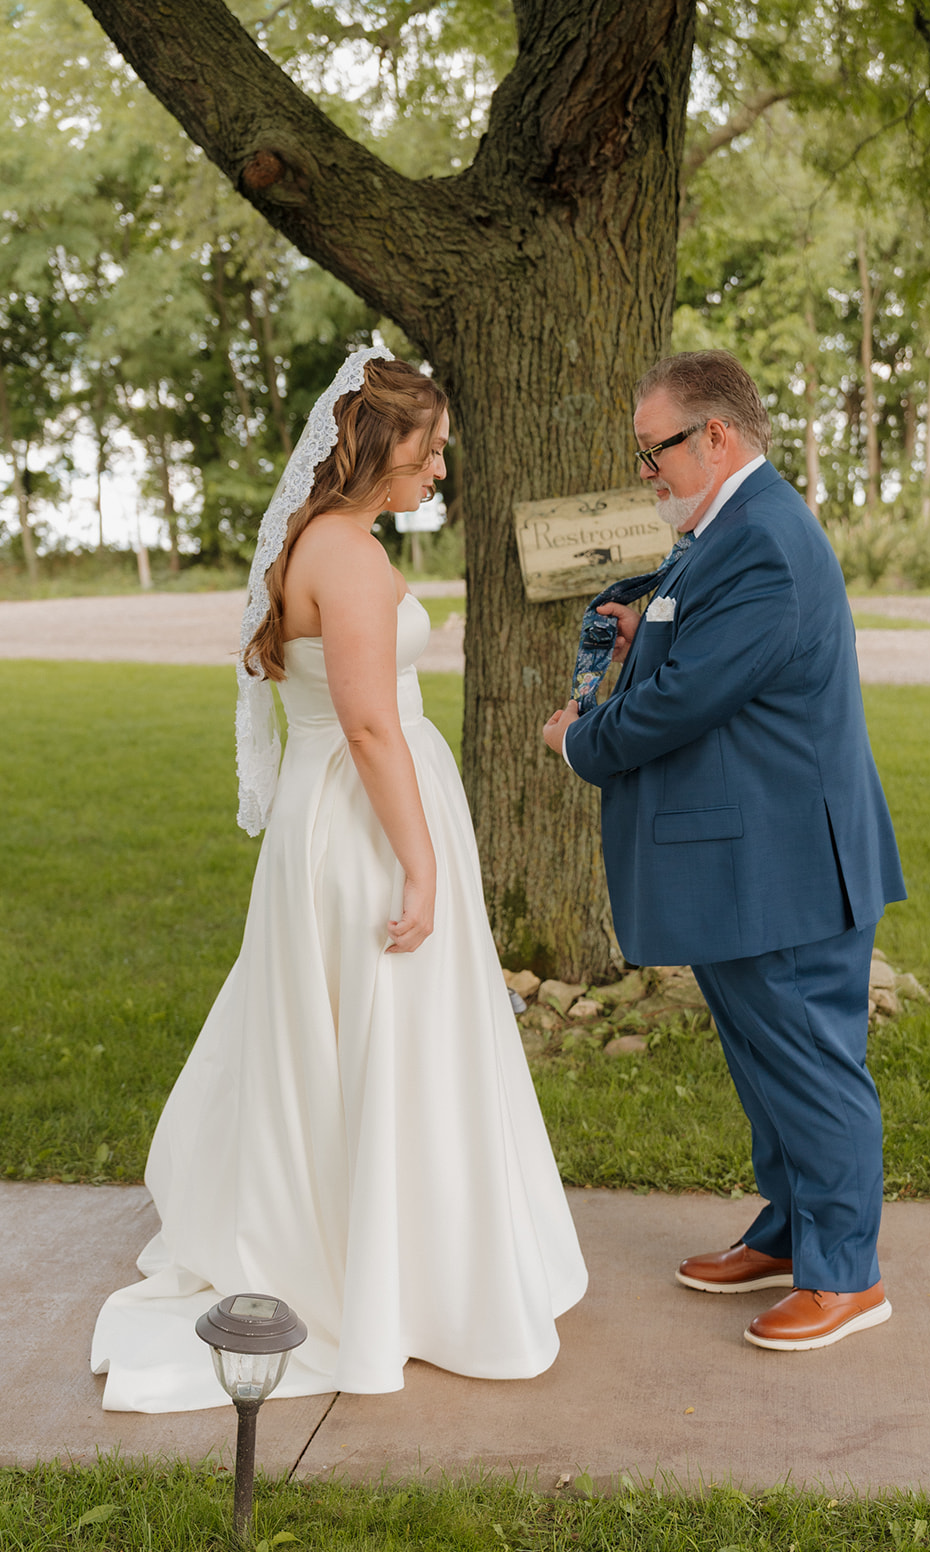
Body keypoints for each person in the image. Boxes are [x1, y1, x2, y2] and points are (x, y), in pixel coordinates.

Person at [92, 348, 586, 1411]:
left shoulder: (312, 545)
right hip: (365, 820)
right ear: (378, 447)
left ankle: (384, 1258)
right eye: (431, 450)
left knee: (357, 1036)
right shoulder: (349, 558)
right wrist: (419, 862)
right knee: (383, 1026)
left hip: (336, 811)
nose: (441, 471)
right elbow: (368, 723)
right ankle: (389, 1282)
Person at [543, 350, 905, 1352]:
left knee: (810, 1065)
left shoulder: (761, 540)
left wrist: (580, 739)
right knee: (767, 1064)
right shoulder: (724, 530)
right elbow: (685, 614)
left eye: (652, 449)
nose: (644, 471)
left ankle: (846, 1274)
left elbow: (681, 700)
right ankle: (791, 1232)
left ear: (716, 435)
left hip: (782, 862)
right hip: (751, 856)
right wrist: (638, 610)